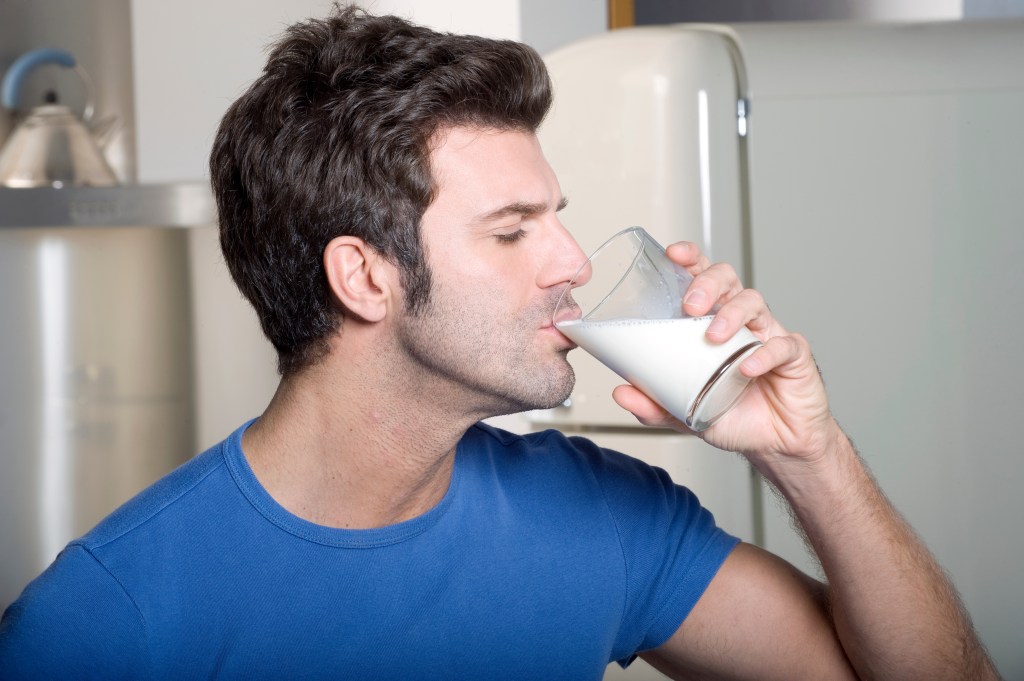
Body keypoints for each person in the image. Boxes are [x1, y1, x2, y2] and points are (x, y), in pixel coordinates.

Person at [0, 6, 1000, 680]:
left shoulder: (602, 514)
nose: (569, 262)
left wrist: (806, 453)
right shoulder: (106, 620)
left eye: (556, 218)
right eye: (513, 230)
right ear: (365, 277)